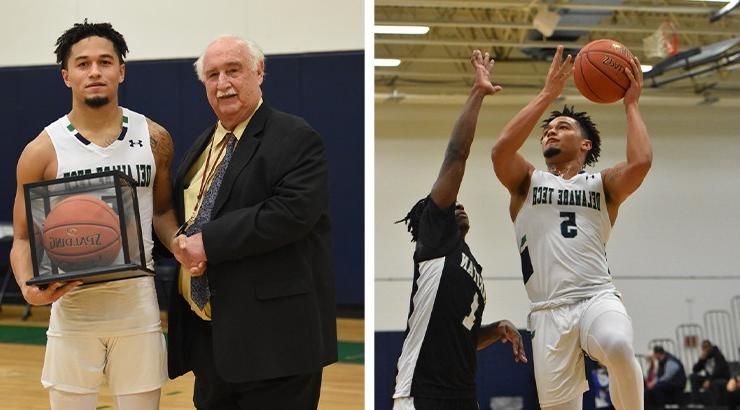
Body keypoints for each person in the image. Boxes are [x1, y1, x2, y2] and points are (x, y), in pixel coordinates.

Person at [9, 21, 179, 410]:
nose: (95, 71)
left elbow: (164, 211)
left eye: (105, 61)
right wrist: (26, 286)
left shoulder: (154, 138)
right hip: (72, 308)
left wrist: (179, 242)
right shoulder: (42, 150)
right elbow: (22, 238)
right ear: (66, 75)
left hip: (136, 304)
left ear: (121, 70)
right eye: (83, 64)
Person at [166, 35, 337, 409]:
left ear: (259, 72)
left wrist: (206, 241)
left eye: (233, 70)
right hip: (212, 340)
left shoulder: (295, 137)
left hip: (275, 345)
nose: (223, 82)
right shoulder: (202, 144)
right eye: (212, 74)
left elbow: (291, 213)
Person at [490, 45, 651, 410]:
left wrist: (631, 104)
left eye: (562, 127)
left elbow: (640, 162)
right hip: (548, 311)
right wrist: (547, 95)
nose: (550, 132)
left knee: (618, 344)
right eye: (547, 129)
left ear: (584, 144)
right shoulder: (527, 183)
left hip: (596, 296)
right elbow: (501, 150)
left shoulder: (602, 184)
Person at [392, 50, 527, 410]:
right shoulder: (434, 243)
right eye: (449, 207)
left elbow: (463, 336)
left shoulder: (469, 263)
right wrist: (477, 94)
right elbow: (457, 155)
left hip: (463, 395)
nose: (458, 205)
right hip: (422, 393)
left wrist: (495, 330)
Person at [690, 339, 730, 406]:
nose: (705, 349)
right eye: (703, 348)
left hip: (720, 378)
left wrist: (709, 380)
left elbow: (718, 371)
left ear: (710, 347)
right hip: (709, 378)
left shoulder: (718, 355)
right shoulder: (705, 357)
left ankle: (716, 406)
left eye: (706, 347)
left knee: (715, 383)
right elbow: (695, 370)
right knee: (693, 377)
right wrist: (701, 360)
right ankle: (696, 402)